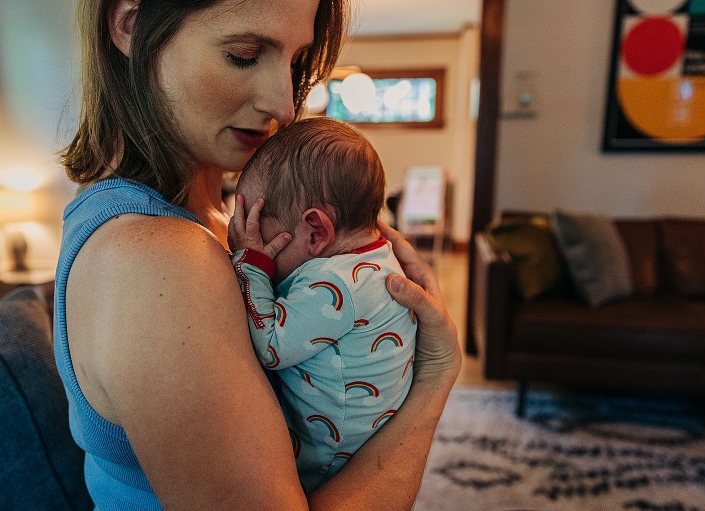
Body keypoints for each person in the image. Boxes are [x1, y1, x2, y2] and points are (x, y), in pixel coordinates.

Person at [54, 0, 461, 509]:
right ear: (131, 25)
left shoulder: (214, 222)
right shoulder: (156, 259)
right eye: (244, 55)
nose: (285, 106)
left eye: (296, 62)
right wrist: (435, 378)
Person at [228, 117, 417, 493]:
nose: (251, 242)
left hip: (325, 464)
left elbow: (271, 346)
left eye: (258, 232)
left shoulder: (336, 283)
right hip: (363, 441)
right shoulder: (377, 256)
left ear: (315, 231)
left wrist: (250, 265)